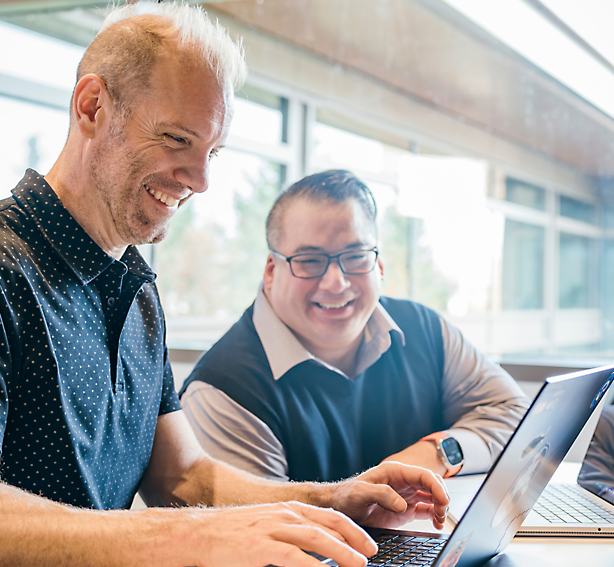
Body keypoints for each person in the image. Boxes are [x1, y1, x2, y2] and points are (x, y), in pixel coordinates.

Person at [0, 2, 449, 567]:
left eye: (212, 150)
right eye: (176, 140)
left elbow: (183, 477)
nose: (201, 180)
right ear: (92, 106)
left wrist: (333, 500)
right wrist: (193, 536)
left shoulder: (136, 289)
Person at [181, 169, 530, 484]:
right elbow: (266, 536)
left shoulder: (425, 330)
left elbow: (521, 422)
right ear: (271, 270)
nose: (336, 282)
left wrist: (434, 455)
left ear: (378, 265)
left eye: (355, 256)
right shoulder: (224, 390)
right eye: (310, 260)